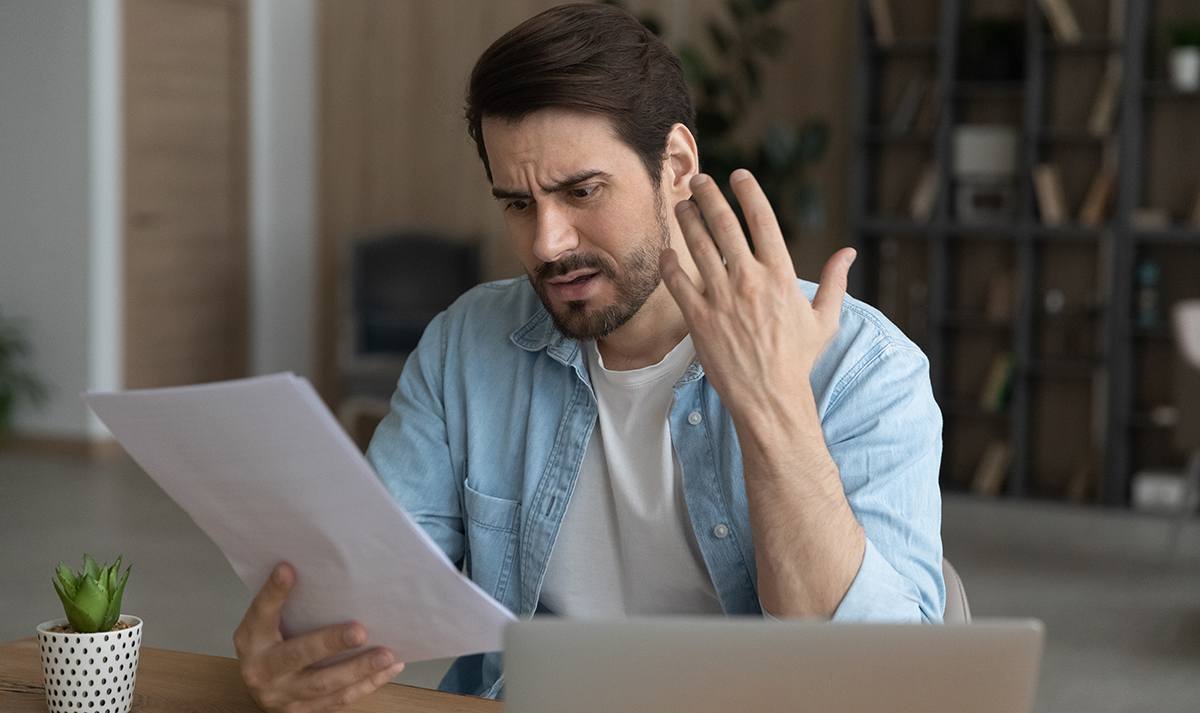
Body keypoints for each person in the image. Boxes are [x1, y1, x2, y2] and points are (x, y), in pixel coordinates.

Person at [233, 3, 944, 710]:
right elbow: (370, 592)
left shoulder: (863, 365)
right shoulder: (465, 344)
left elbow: (882, 681)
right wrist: (299, 646)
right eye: (517, 202)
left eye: (582, 191)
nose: (547, 243)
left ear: (676, 164)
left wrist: (772, 403)